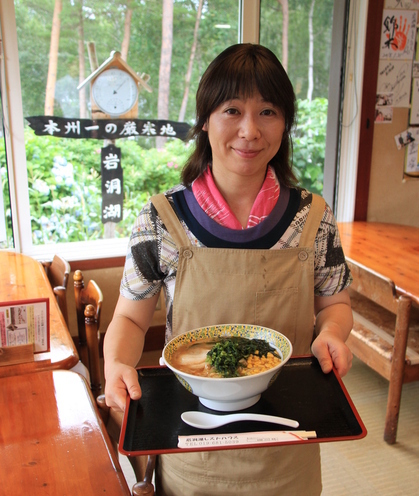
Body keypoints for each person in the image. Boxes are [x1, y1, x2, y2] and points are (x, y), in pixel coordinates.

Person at [104, 43, 353, 496]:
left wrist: (332, 332)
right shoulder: (161, 219)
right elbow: (129, 316)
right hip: (193, 447)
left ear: (286, 122)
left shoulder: (312, 217)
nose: (250, 130)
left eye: (269, 112)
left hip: (288, 443)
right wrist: (116, 363)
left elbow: (334, 303)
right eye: (232, 110)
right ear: (205, 119)